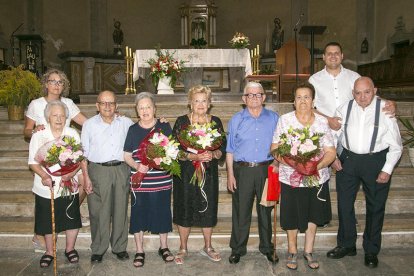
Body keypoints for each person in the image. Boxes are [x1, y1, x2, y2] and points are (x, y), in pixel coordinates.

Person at [326, 77, 402, 268]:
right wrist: (334, 157)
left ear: (374, 90)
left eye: (366, 92)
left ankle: (371, 250)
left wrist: (387, 169)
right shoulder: (344, 108)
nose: (362, 97)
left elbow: (396, 145)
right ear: (353, 93)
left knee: (375, 207)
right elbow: (333, 135)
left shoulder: (385, 109)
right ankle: (346, 244)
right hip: (348, 161)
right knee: (344, 205)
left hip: (376, 161)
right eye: (358, 93)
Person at [271, 82, 336, 270]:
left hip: (317, 178)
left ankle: (308, 251)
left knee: (313, 215)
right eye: (299, 97)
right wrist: (296, 164)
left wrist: (316, 166)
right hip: (290, 177)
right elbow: (274, 149)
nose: (303, 101)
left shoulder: (322, 122)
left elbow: (330, 151)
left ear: (313, 101)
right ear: (293, 101)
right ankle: (292, 251)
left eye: (306, 97)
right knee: (291, 215)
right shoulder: (285, 120)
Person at [23, 68, 89, 252]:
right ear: (46, 83)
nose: (56, 85)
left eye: (60, 82)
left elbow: (87, 123)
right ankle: (40, 233)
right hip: (46, 155)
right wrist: (35, 131)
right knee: (44, 195)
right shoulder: (36, 104)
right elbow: (27, 130)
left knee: (84, 181)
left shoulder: (68, 103)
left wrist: (109, 118)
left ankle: (69, 214)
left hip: (67, 157)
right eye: (52, 81)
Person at [172, 85, 226, 265]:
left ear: (209, 103)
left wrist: (214, 154)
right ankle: (183, 247)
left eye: (204, 100)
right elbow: (174, 151)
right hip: (186, 173)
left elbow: (222, 148)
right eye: (197, 100)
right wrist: (193, 156)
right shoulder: (181, 122)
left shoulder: (215, 121)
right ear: (190, 103)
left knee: (208, 206)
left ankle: (208, 247)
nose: (201, 104)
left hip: (208, 173)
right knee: (184, 206)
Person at [226, 82, 279, 264]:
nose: (254, 98)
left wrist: (278, 165)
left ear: (264, 98)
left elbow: (281, 145)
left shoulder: (274, 118)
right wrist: (230, 174)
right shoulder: (236, 119)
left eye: (258, 95)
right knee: (241, 211)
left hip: (266, 169)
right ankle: (238, 248)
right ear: (244, 99)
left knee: (265, 210)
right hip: (243, 170)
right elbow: (230, 149)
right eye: (250, 95)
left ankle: (267, 247)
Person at [28, 101, 85, 267]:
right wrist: (45, 176)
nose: (59, 118)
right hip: (46, 185)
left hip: (68, 184)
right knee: (47, 219)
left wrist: (73, 173)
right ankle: (49, 251)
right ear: (48, 117)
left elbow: (79, 158)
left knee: (71, 218)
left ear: (67, 117)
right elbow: (33, 162)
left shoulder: (71, 133)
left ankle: (70, 249)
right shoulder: (39, 135)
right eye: (55, 115)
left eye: (62, 115)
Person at [81, 90, 133, 263]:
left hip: (121, 169)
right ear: (97, 106)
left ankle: (119, 247)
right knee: (98, 211)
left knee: (120, 210)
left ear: (116, 105)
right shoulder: (89, 124)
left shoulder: (126, 123)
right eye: (103, 103)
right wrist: (86, 177)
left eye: (111, 103)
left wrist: (160, 121)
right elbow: (83, 154)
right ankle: (98, 248)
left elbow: (142, 135)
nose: (107, 106)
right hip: (98, 170)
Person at [123, 92, 175, 268]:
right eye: (141, 107)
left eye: (148, 107)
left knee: (162, 213)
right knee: (138, 215)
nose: (145, 110)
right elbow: (127, 155)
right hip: (140, 181)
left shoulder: (164, 126)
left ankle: (164, 247)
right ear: (137, 110)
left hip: (161, 180)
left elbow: (172, 151)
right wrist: (138, 167)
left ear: (155, 109)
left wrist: (165, 159)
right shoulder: (133, 129)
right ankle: (139, 250)